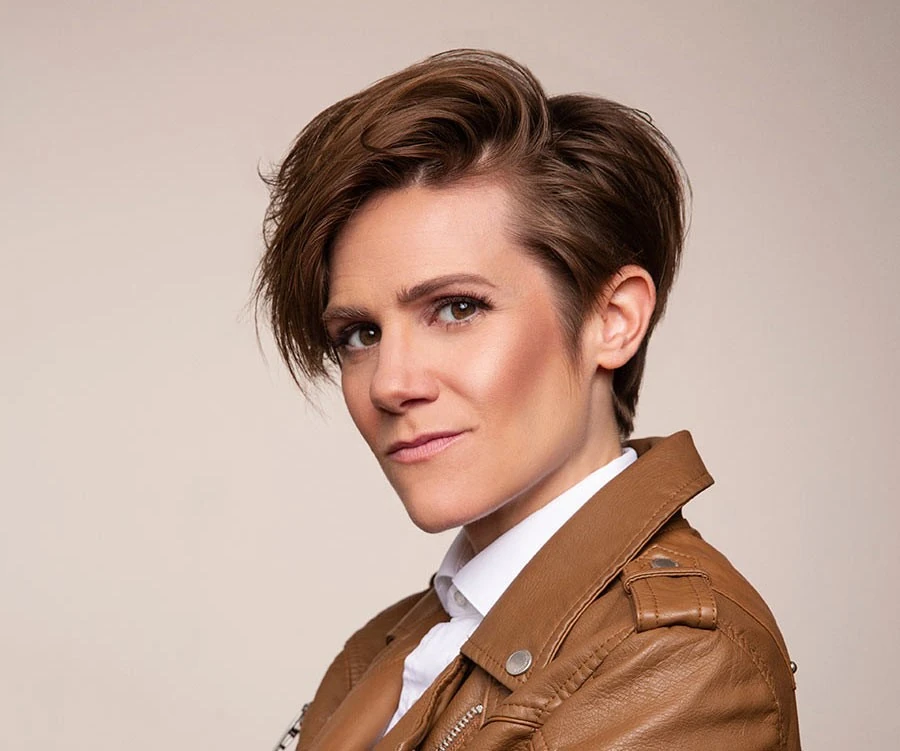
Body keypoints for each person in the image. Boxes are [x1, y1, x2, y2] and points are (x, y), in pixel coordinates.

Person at [256, 49, 801, 750]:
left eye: (457, 308)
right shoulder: (392, 647)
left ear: (613, 320)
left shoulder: (680, 661)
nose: (390, 383)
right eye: (360, 334)